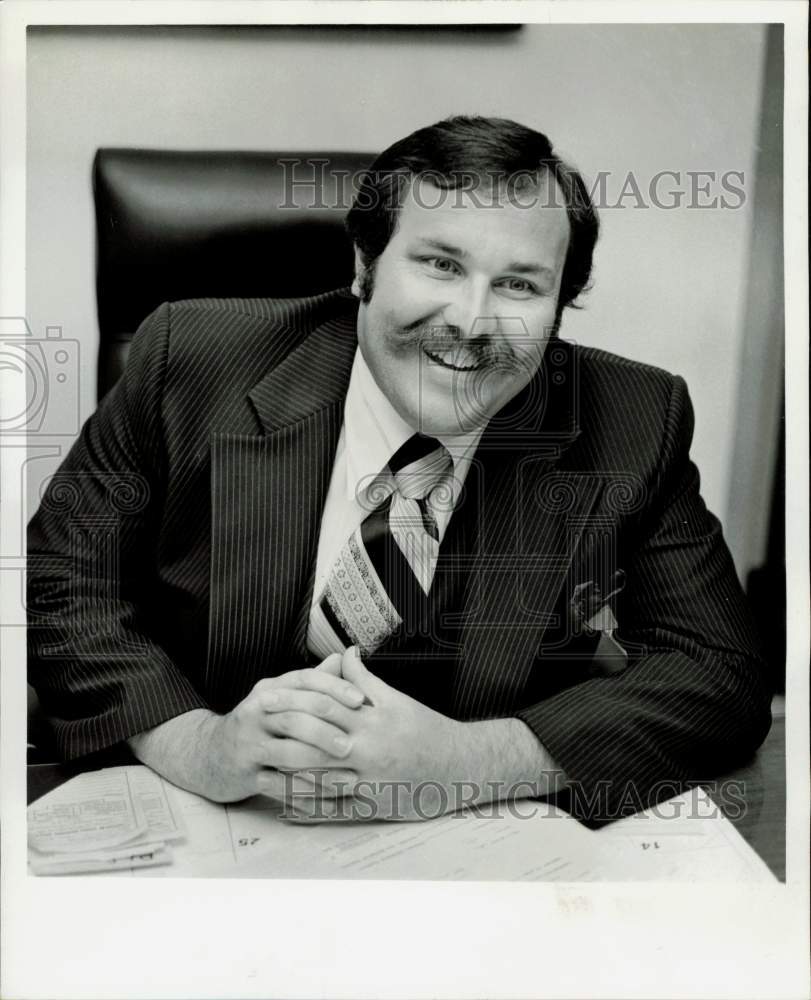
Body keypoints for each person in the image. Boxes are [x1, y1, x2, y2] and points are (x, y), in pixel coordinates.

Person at [27, 116, 771, 824]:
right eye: (440, 263)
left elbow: (718, 669)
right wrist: (196, 744)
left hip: (470, 850)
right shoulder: (188, 360)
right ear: (365, 266)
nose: (471, 321)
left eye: (518, 284)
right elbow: (61, 575)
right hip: (209, 827)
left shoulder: (631, 419)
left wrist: (471, 761)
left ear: (558, 306)